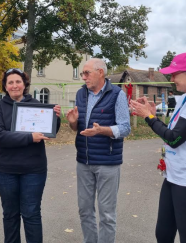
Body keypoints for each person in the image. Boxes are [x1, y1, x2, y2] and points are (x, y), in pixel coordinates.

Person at [130, 51, 186, 243]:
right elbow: (174, 130)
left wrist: (149, 116)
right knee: (163, 233)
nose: (171, 79)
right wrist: (154, 115)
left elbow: (174, 138)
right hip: (174, 175)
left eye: (175, 74)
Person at [0, 68, 61, 243]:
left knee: (31, 214)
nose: (15, 85)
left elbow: (48, 132)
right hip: (6, 170)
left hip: (33, 169)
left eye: (18, 81)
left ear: (24, 84)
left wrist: (56, 119)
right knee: (10, 214)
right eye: (10, 82)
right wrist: (29, 137)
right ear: (5, 87)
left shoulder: (37, 105)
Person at [66, 58, 131, 243]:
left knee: (107, 214)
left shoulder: (117, 94)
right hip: (84, 161)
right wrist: (72, 122)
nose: (83, 77)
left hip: (108, 163)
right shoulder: (81, 94)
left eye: (87, 73)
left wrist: (102, 130)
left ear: (100, 73)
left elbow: (125, 128)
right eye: (82, 74)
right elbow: (78, 128)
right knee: (85, 210)